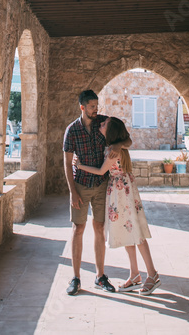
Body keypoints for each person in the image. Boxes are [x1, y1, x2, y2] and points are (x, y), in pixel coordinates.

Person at [75, 117, 161, 295]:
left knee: (136, 234)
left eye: (104, 124)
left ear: (110, 131)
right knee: (128, 233)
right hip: (122, 192)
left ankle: (152, 274)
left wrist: (80, 165)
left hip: (121, 193)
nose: (101, 124)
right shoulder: (116, 148)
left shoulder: (113, 152)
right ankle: (135, 274)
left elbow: (100, 171)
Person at [63, 90, 131, 296]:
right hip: (81, 185)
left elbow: (127, 140)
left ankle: (100, 276)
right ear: (82, 107)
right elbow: (67, 163)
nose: (96, 110)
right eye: (92, 106)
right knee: (78, 229)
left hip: (102, 185)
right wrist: (72, 191)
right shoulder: (72, 130)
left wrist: (117, 145)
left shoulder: (104, 122)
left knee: (99, 229)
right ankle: (75, 278)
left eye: (97, 106)